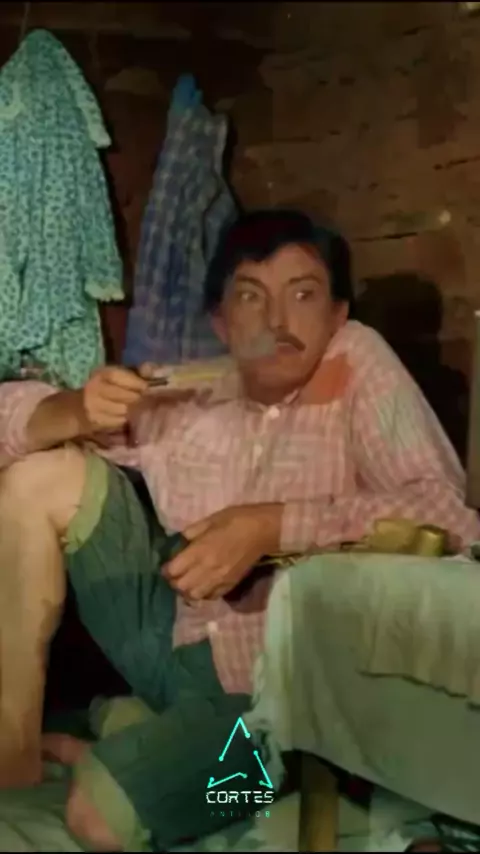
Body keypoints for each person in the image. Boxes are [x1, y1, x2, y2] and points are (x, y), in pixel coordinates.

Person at [0, 209, 477, 851]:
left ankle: (257, 780)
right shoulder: (195, 390)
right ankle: (17, 755)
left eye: (303, 295)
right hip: (172, 643)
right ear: (221, 322)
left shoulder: (356, 361)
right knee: (41, 476)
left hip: (275, 697)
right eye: (251, 296)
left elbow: (451, 520)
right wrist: (74, 409)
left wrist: (272, 527)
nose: (277, 322)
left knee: (99, 819)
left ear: (337, 314)